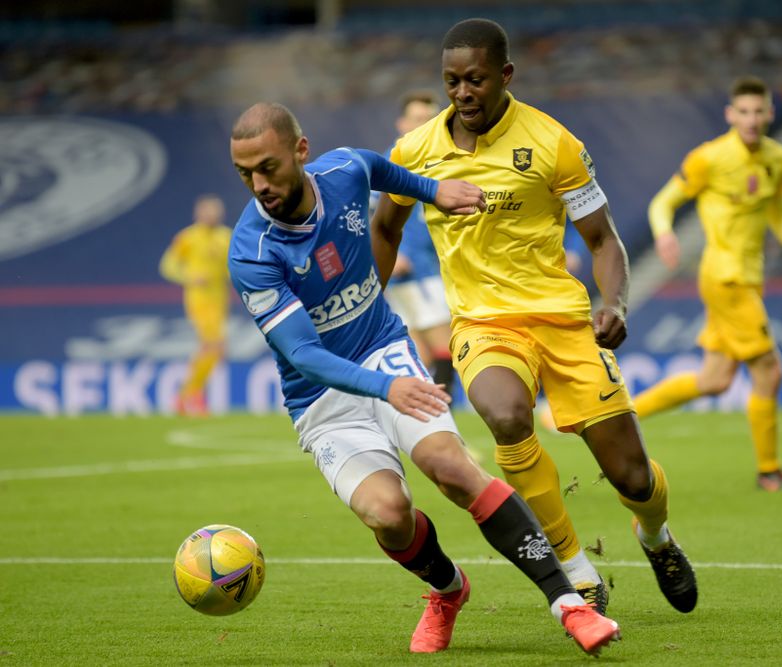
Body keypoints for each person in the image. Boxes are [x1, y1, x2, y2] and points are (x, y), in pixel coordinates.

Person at [226, 102, 620, 656]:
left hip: (383, 350)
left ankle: (569, 604)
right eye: (245, 174)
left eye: (268, 167)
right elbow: (305, 355)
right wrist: (385, 389)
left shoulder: (344, 171)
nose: (259, 184)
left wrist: (434, 191)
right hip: (322, 398)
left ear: (301, 150)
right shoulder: (253, 253)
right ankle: (448, 589)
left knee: (451, 468)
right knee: (388, 515)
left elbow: (379, 167)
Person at [372, 18, 698, 616]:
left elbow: (602, 240)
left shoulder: (553, 143)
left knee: (633, 480)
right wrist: (367, 303)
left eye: (475, 80)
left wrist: (614, 303)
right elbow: (385, 227)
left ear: (505, 75)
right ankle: (576, 570)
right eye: (451, 82)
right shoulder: (414, 153)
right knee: (504, 413)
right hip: (483, 324)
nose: (463, 93)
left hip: (565, 323)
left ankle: (657, 537)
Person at [632, 75, 782, 492]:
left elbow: (779, 214)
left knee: (714, 380)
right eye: (744, 112)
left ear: (770, 113)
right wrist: (664, 233)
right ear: (730, 115)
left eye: (759, 111)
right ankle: (769, 471)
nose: (752, 119)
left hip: (749, 280)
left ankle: (622, 416)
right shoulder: (710, 158)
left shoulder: (777, 158)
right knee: (770, 371)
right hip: (725, 278)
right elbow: (663, 202)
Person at [378, 90, 455, 394]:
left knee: (424, 351)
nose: (423, 125)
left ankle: (428, 421)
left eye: (429, 119)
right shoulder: (389, 164)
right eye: (417, 119)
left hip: (437, 267)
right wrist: (391, 255)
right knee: (439, 345)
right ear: (402, 123)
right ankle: (441, 421)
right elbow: (372, 215)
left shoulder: (447, 161)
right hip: (413, 272)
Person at [159, 194, 232, 416]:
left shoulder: (226, 237)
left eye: (214, 211)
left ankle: (187, 396)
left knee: (214, 349)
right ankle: (191, 394)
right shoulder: (188, 238)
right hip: (199, 299)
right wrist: (189, 277)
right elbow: (168, 266)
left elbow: (234, 265)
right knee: (214, 345)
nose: (211, 215)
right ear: (197, 213)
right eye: (206, 211)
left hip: (220, 298)